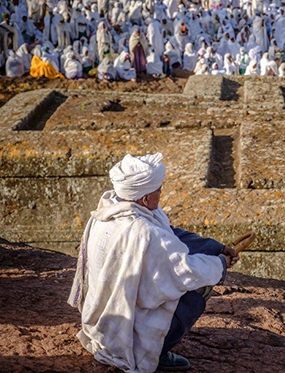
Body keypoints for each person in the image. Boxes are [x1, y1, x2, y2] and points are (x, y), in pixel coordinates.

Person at [69, 153, 239, 372]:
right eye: (158, 190)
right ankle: (155, 351)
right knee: (201, 284)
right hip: (127, 328)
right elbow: (185, 270)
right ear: (145, 199)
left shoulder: (105, 212)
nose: (161, 193)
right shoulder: (144, 232)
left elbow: (171, 235)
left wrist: (215, 248)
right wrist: (221, 264)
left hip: (104, 320)